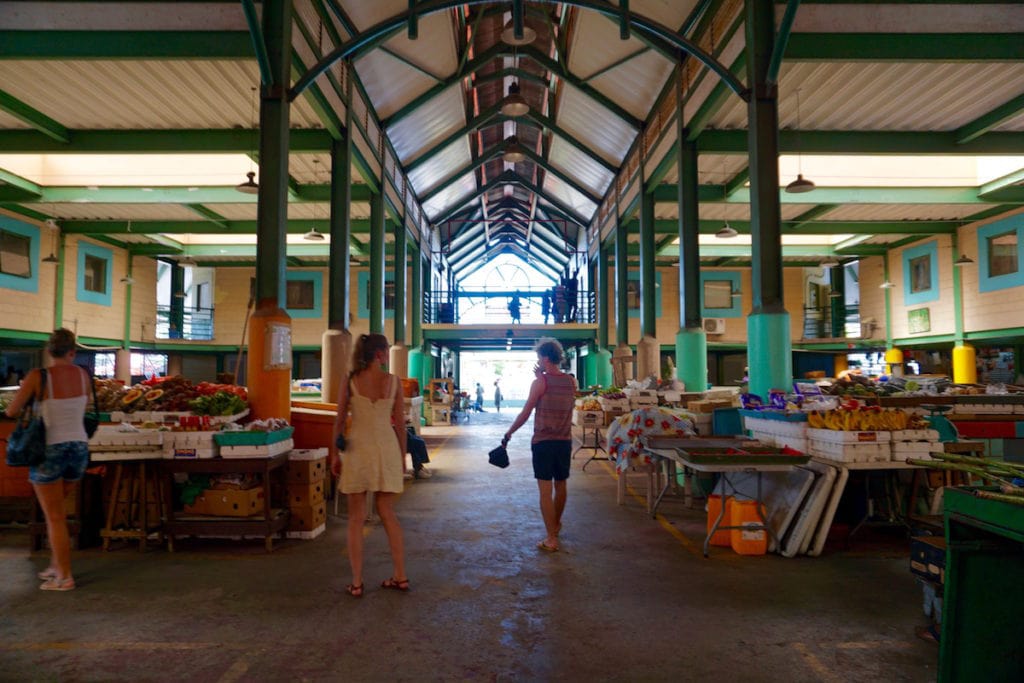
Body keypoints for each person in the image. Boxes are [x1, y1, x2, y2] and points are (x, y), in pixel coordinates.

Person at [3, 328, 91, 591]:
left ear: (49, 352)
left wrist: (29, 393)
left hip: (50, 449)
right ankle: (55, 565)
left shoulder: (38, 376)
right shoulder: (83, 375)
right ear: (72, 352)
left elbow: (11, 410)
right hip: (79, 449)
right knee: (57, 513)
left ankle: (64, 577)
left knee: (55, 517)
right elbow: (83, 408)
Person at [331, 333, 409, 597]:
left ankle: (356, 582)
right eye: (386, 351)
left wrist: (334, 454)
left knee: (355, 518)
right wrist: (401, 457)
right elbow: (400, 424)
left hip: (358, 450)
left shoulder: (351, 380)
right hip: (386, 449)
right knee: (387, 511)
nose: (388, 355)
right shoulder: (393, 382)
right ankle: (400, 575)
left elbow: (340, 419)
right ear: (380, 354)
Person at [502, 338, 577, 552]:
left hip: (544, 442)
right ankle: (556, 526)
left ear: (544, 358)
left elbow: (526, 412)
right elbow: (559, 397)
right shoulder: (571, 381)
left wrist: (509, 432)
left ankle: (551, 538)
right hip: (564, 441)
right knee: (561, 484)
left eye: (539, 358)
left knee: (545, 490)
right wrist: (541, 376)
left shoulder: (540, 383)